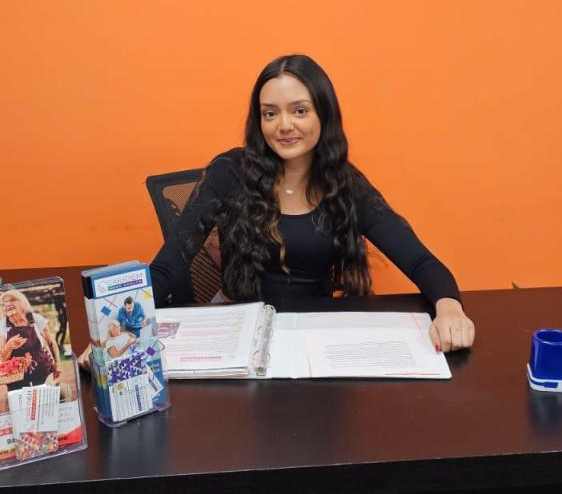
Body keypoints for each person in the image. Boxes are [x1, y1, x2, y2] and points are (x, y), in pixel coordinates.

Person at [150, 55, 475, 352]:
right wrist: (126, 322)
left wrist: (450, 308)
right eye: (270, 114)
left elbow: (420, 262)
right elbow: (166, 269)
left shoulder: (345, 184)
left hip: (314, 334)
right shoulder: (229, 173)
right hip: (237, 331)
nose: (284, 125)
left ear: (324, 114)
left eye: (300, 111)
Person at [0, 289, 63, 387]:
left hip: (42, 366)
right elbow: (2, 357)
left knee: (46, 393)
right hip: (16, 373)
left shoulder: (36, 318)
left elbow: (51, 343)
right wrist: (9, 346)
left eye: (12, 300)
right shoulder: (2, 325)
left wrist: (58, 363)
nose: (8, 304)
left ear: (22, 302)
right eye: (4, 303)